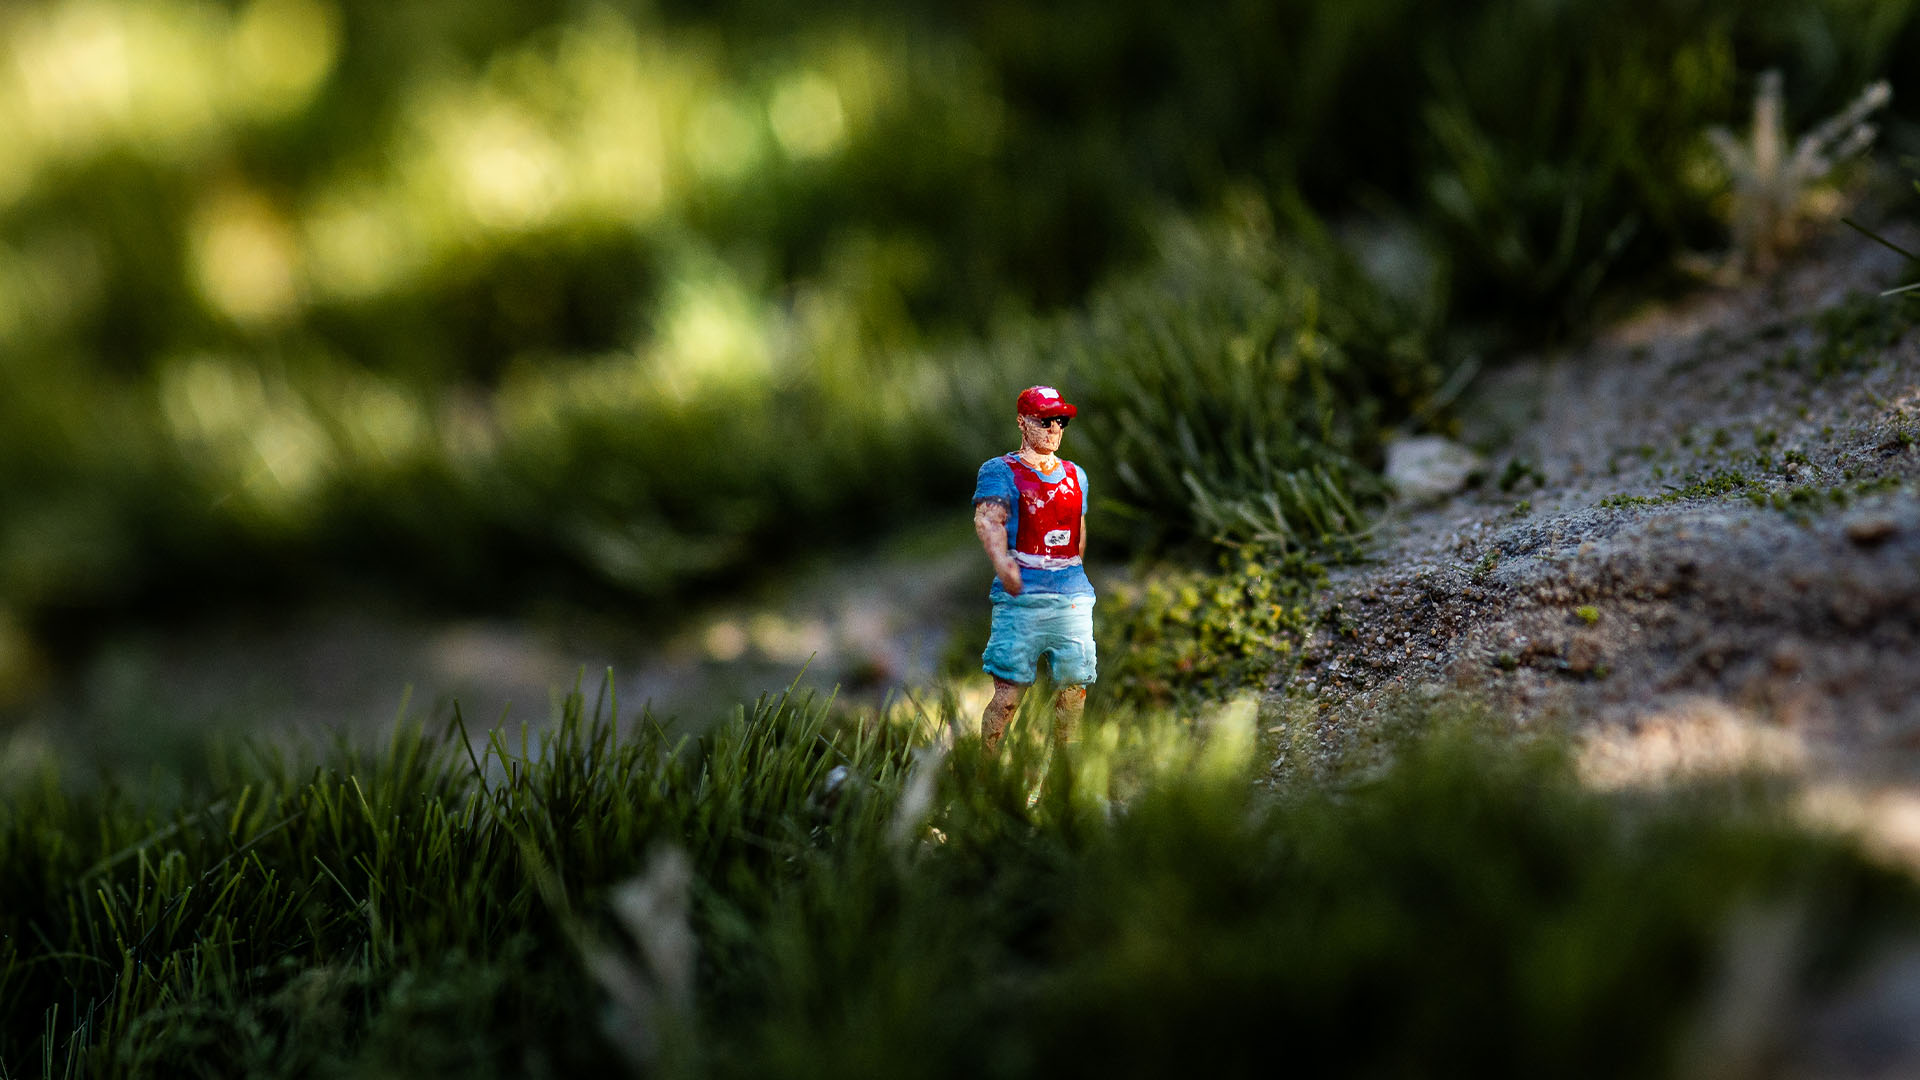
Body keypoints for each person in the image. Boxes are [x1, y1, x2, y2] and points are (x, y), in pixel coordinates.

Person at [971, 385, 1095, 752]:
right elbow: (988, 520)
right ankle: (987, 776)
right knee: (1009, 695)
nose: (1054, 428)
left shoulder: (1076, 475)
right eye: (1045, 420)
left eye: (1060, 420)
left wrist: (1074, 573)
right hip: (1022, 599)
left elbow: (1079, 530)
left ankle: (1065, 779)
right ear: (1023, 423)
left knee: (1074, 694)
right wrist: (1002, 562)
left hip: (1070, 597)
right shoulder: (1000, 471)